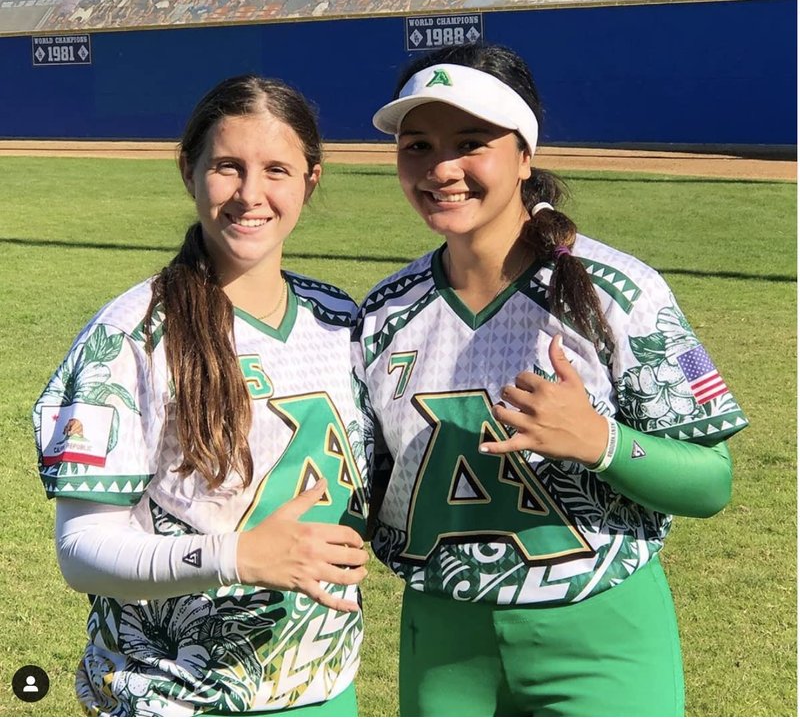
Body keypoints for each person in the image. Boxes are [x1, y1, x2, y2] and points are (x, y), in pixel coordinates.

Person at [354, 43, 748, 717]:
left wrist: (601, 441)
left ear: (524, 156)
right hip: (443, 644)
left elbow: (712, 481)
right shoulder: (384, 313)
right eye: (417, 146)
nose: (441, 169)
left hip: (600, 637)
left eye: (470, 143)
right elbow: (367, 484)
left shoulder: (617, 292)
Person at [33, 75, 369, 717]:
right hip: (169, 697)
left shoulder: (341, 320)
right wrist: (235, 555)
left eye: (276, 170)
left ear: (311, 181)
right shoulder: (129, 334)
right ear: (188, 170)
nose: (250, 194)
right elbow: (82, 553)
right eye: (227, 167)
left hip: (322, 690)